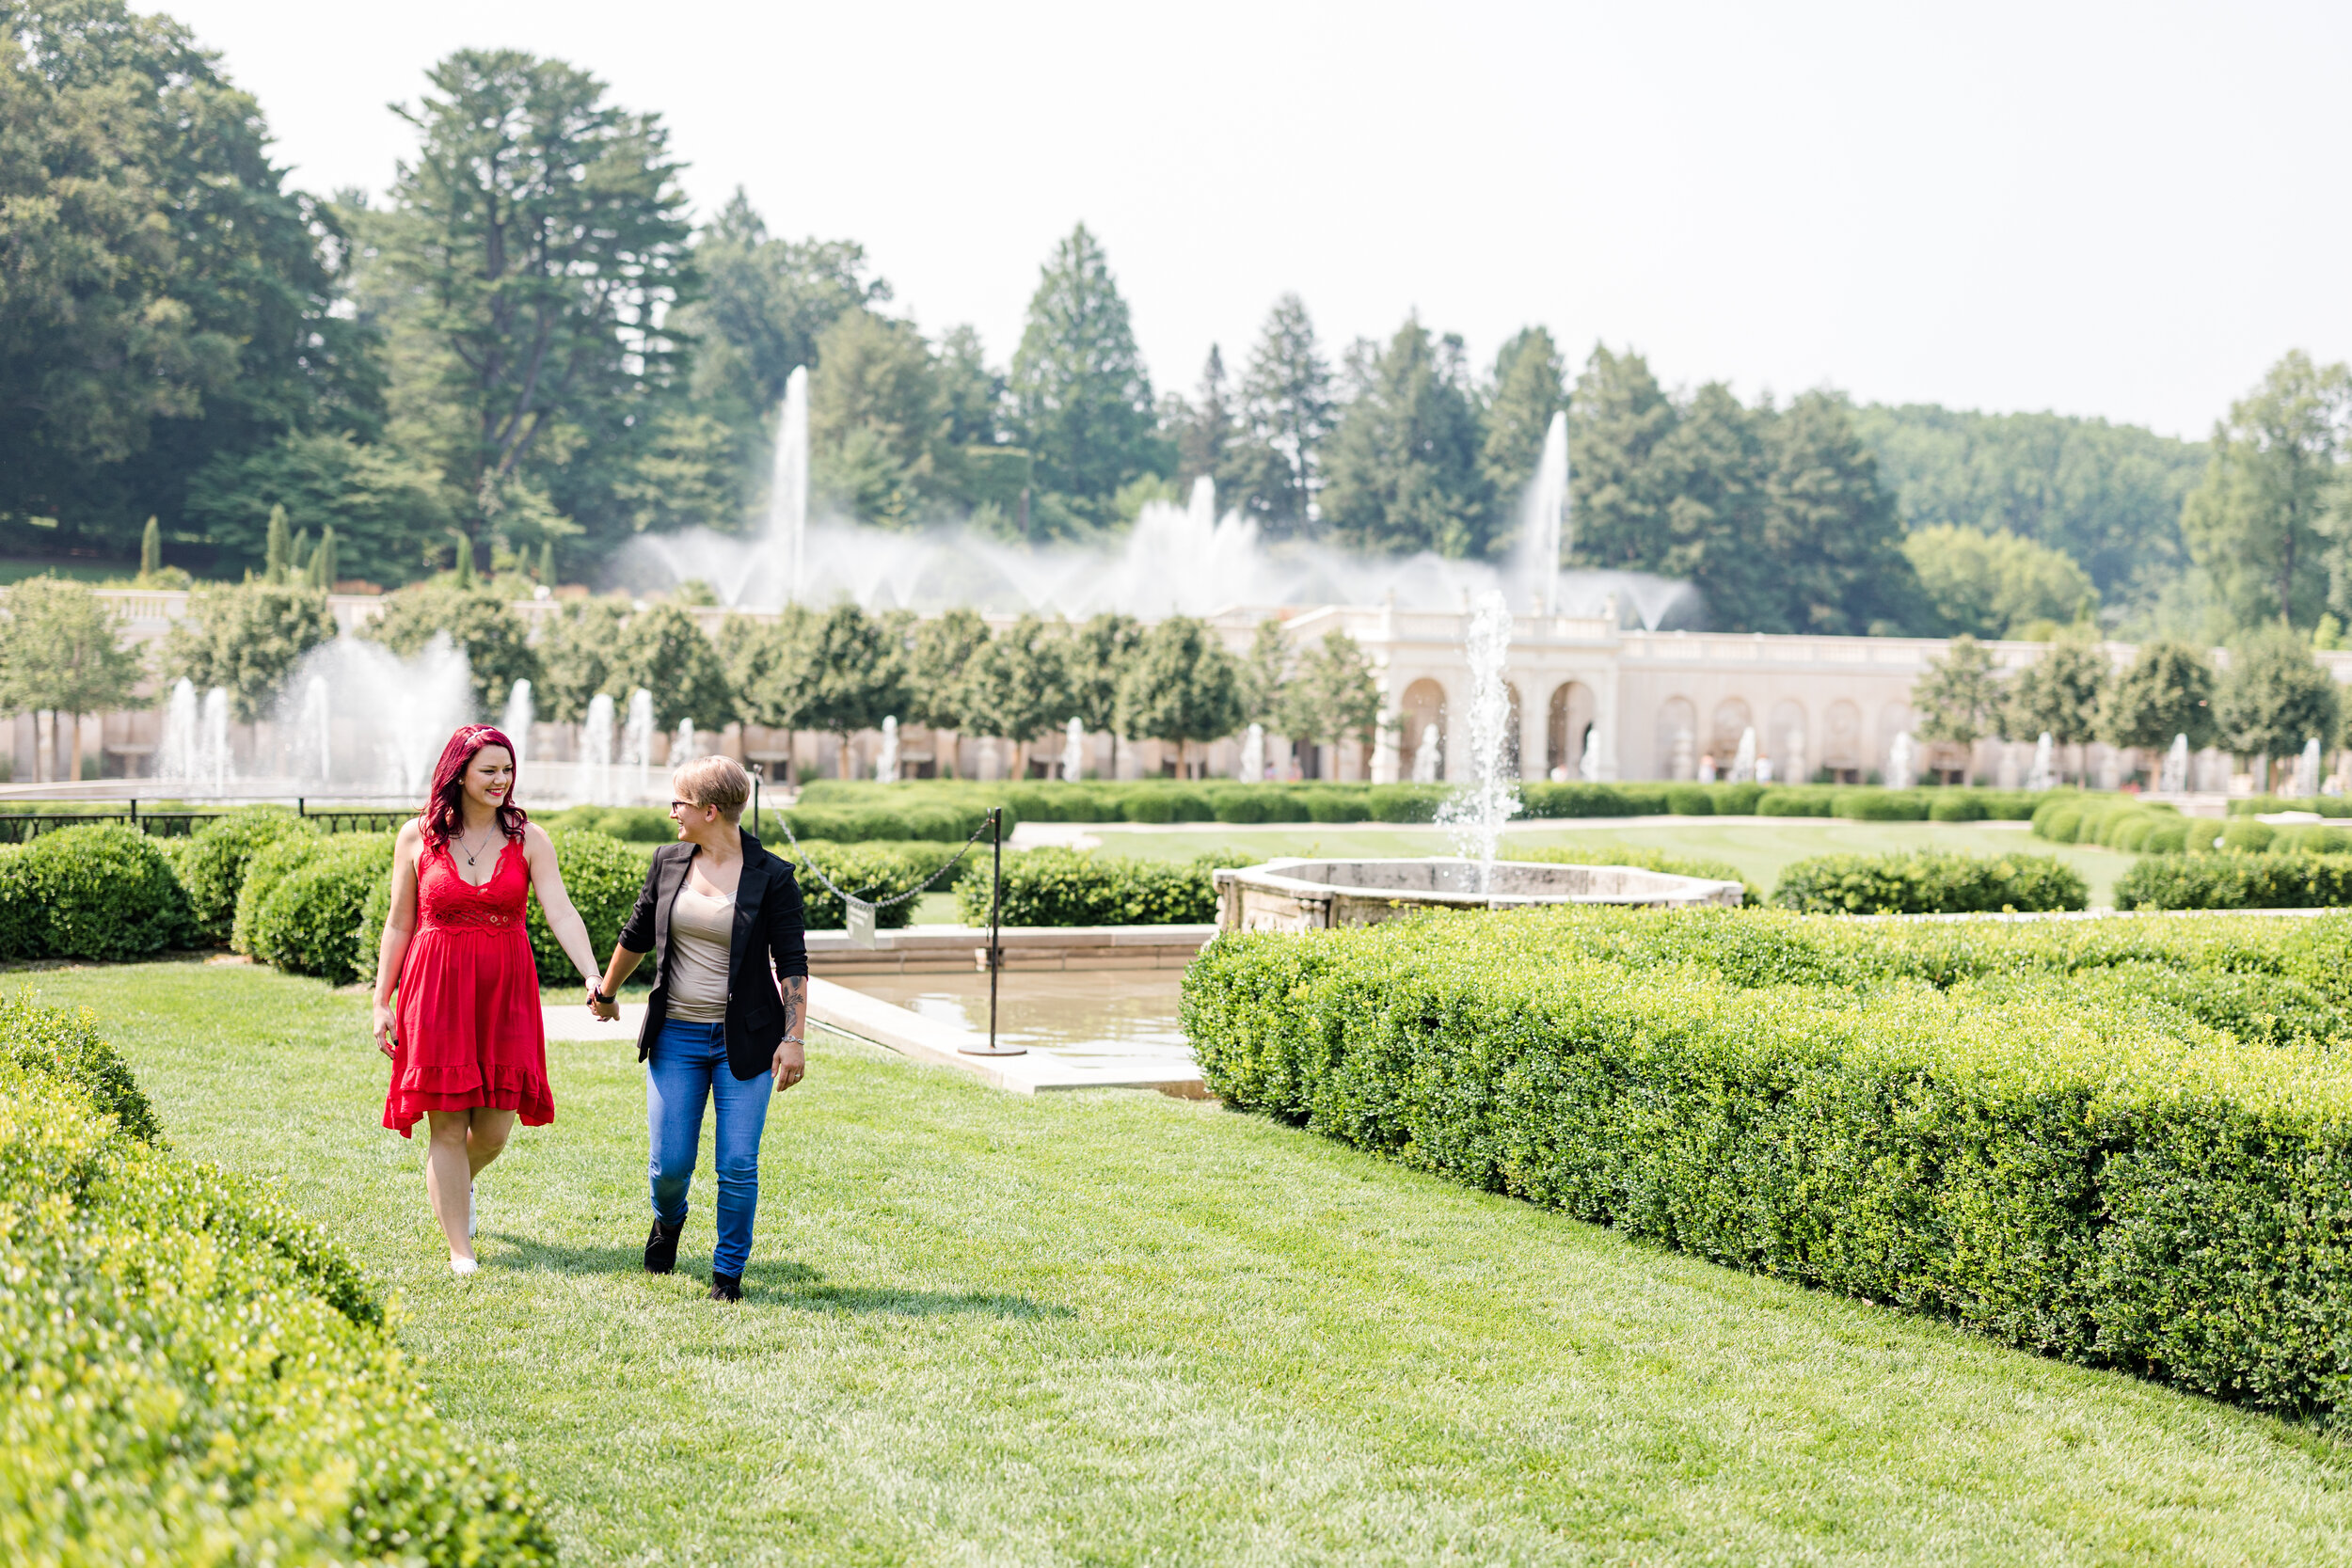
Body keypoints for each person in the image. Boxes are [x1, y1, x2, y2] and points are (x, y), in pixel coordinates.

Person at [373, 725, 605, 1275]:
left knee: (495, 1130)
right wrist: (381, 1001)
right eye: (489, 771)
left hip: (506, 993)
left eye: (507, 770)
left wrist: (592, 973)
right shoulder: (416, 838)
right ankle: (461, 1250)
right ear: (459, 772)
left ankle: (452, 1185)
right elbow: (399, 922)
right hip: (435, 989)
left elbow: (561, 911)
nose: (502, 781)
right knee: (447, 1124)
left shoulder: (530, 839)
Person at [589, 755, 808, 1302]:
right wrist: (607, 992)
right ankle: (668, 1221)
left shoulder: (773, 876)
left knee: (737, 1163)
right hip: (677, 1037)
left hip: (746, 1042)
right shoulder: (668, 863)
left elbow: (793, 963)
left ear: (711, 811)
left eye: (679, 803)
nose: (671, 813)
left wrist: (794, 1037)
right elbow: (636, 933)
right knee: (670, 1166)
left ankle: (727, 1275)